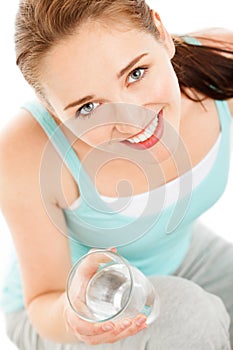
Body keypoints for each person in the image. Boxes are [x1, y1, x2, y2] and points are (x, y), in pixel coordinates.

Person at [0, 0, 233, 349]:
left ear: (161, 32)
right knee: (189, 317)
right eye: (88, 108)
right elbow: (42, 302)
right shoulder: (25, 149)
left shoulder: (220, 63)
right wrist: (77, 315)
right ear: (50, 106)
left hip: (187, 256)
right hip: (82, 306)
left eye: (136, 74)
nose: (130, 120)